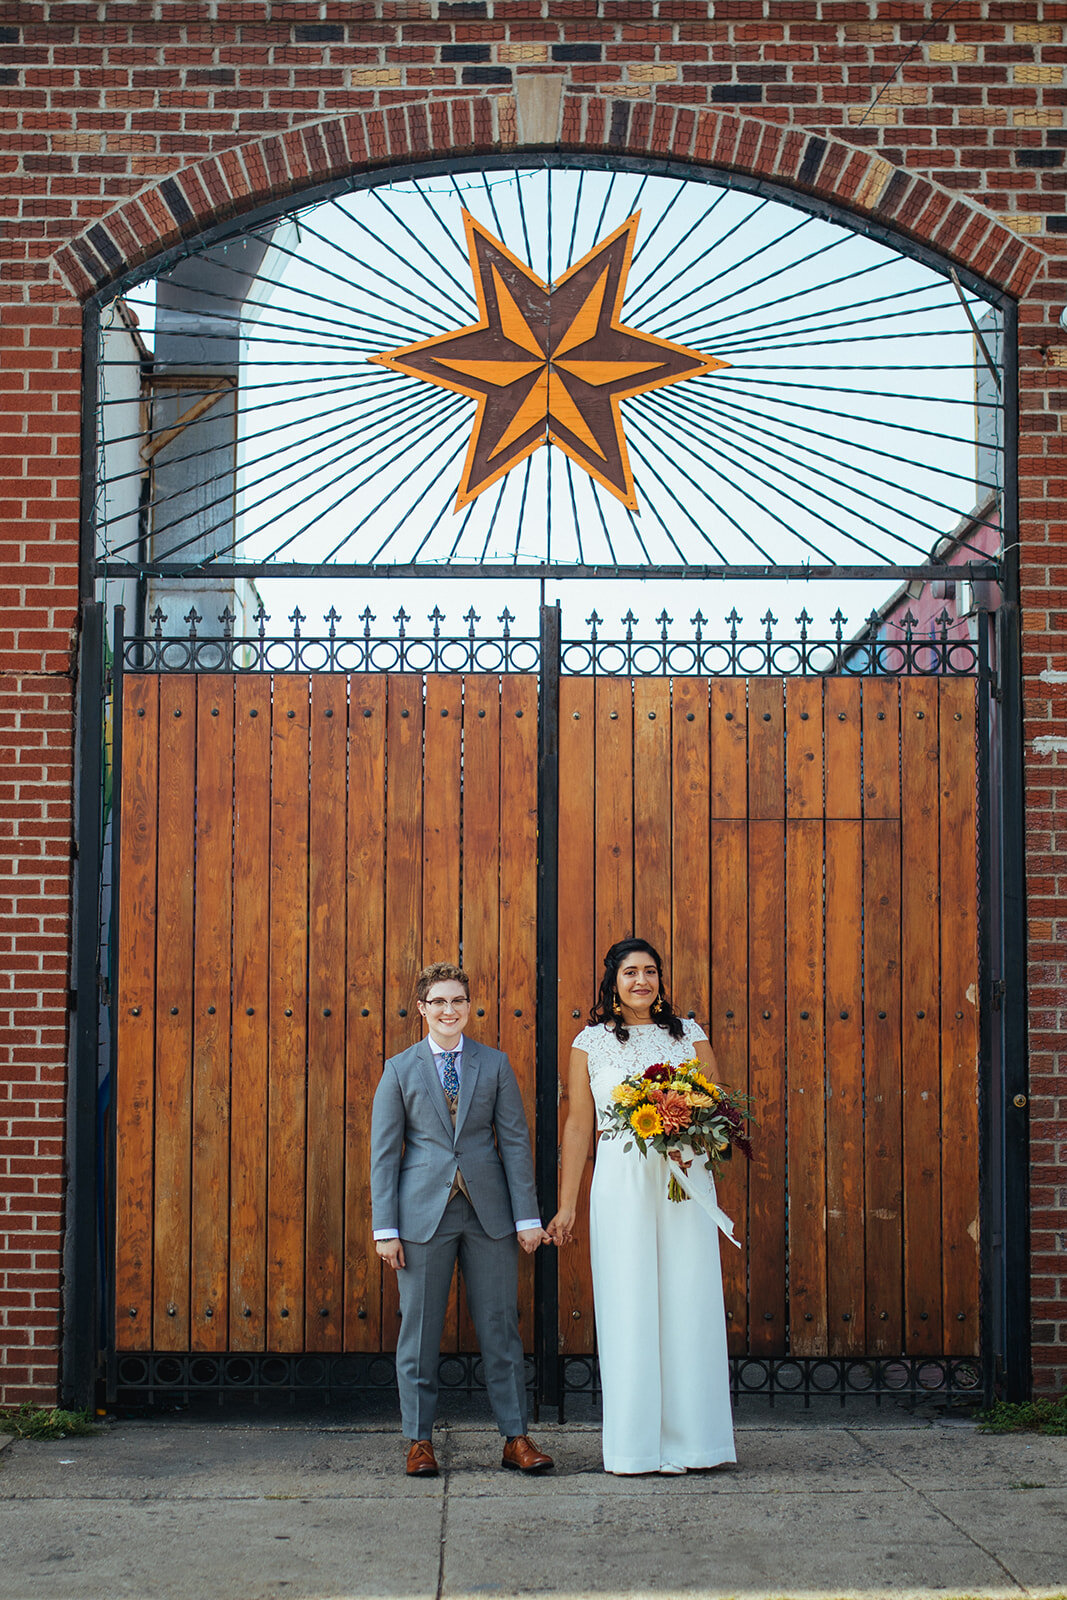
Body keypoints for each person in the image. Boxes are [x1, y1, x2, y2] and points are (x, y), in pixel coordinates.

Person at [547, 938, 737, 1475]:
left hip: (683, 1175)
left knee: (688, 1299)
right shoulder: (590, 1043)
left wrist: (694, 1134)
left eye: (650, 971)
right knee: (628, 1302)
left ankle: (696, 1442)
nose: (642, 981)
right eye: (630, 972)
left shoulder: (690, 1036)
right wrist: (567, 1207)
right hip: (622, 1180)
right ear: (612, 981)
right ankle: (636, 1448)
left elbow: (719, 1107)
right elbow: (580, 1124)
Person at [370, 961, 554, 1477]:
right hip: (421, 1217)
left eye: (458, 1002)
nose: (449, 1011)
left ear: (468, 1008)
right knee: (420, 1331)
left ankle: (515, 1438)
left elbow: (515, 1145)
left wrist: (526, 1218)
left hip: (489, 1215)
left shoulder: (493, 1065)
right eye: (439, 1002)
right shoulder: (399, 1069)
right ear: (423, 1009)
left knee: (501, 1327)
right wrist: (385, 1229)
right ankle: (419, 1441)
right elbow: (384, 1154)